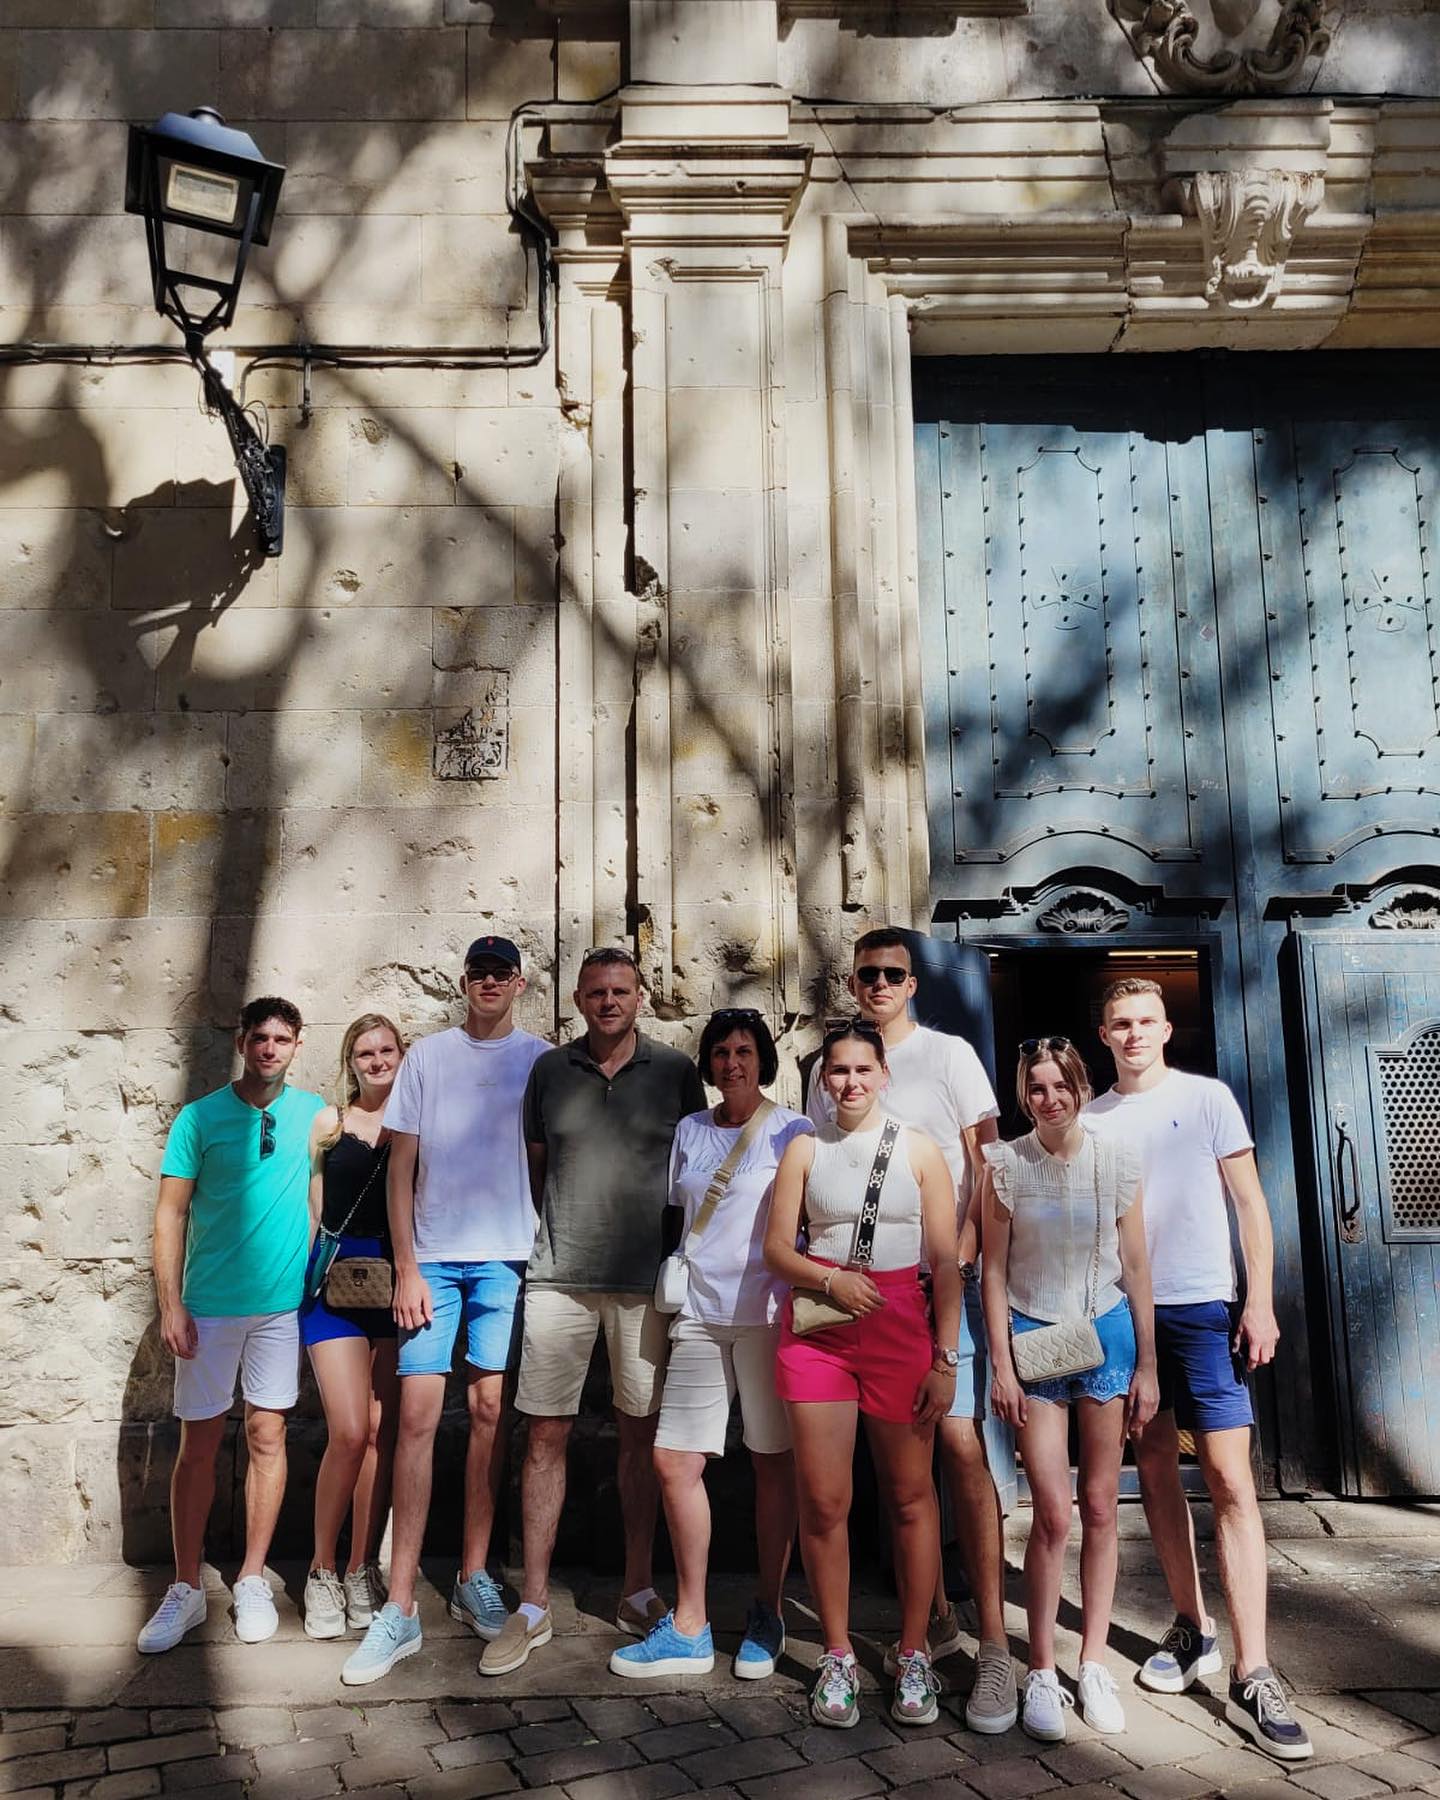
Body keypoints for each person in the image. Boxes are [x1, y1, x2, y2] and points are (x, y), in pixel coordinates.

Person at [1085, 978, 1313, 1762]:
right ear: (1104, 1034)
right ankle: (1194, 1627)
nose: (1135, 1033)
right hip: (1123, 1316)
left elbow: (1250, 1203)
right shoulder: (1088, 1116)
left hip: (1204, 1310)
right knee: (1152, 1470)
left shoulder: (1208, 1097)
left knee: (1230, 1480)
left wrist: (1260, 1302)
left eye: (1147, 1020)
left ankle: (1254, 1669)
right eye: (1121, 1023)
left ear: (1166, 1028)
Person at [807, 926, 1015, 1734]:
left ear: (913, 983)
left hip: (940, 1276)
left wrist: (963, 1251)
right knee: (885, 1468)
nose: (881, 984)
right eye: (868, 974)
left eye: (894, 972)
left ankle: (992, 1636)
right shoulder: (830, 1067)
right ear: (854, 983)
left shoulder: (950, 1055)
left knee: (957, 1446)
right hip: (862, 1290)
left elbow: (985, 1159)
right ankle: (921, 1626)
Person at [481, 946, 707, 1677]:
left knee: (641, 1438)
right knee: (544, 1433)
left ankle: (637, 1587)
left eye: (621, 990)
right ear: (576, 1000)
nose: (609, 1001)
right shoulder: (550, 1071)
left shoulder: (676, 1073)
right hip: (558, 1277)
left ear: (641, 997)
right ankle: (535, 1601)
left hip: (644, 1285)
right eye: (596, 992)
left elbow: (693, 1169)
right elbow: (538, 1164)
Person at [342, 937, 548, 1686]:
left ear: (519, 984)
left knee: (492, 1415)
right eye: (479, 973)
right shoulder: (427, 1056)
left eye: (502, 974)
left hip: (504, 1260)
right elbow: (401, 1164)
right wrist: (407, 1265)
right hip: (431, 1265)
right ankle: (399, 1608)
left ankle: (471, 1576)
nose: (490, 984)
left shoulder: (540, 1058)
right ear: (464, 982)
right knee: (419, 1421)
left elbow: (545, 1158)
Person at [767, 1021, 962, 1731]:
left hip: (900, 1325)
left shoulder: (919, 1151)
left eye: (861, 1070)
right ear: (823, 1081)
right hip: (819, 1328)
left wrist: (946, 1360)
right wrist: (829, 1278)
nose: (849, 1082)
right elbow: (776, 1248)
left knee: (910, 1496)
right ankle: (839, 1654)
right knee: (823, 1502)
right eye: (837, 1072)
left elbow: (945, 1265)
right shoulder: (804, 1150)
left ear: (884, 1075)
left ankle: (912, 1652)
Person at [611, 1008, 812, 1683]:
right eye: (722, 1052)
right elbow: (682, 1208)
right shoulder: (692, 1131)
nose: (733, 1063)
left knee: (772, 1463)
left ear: (765, 1059)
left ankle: (768, 1608)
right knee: (674, 1461)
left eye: (745, 1050)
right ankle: (691, 1624)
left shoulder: (793, 1131)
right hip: (698, 1313)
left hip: (768, 1313)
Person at [981, 1036, 1158, 1742]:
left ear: (1081, 1086)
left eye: (1060, 1086)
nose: (1048, 1099)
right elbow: (991, 1272)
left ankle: (1093, 1664)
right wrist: (1000, 1364)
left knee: (1103, 1506)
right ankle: (1043, 1672)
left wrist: (1148, 1364)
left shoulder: (1115, 1160)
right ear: (1023, 1095)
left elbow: (1137, 1265)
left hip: (1107, 1334)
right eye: (1036, 1089)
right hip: (1036, 1337)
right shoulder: (1005, 1166)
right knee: (1052, 1512)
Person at [138, 997, 325, 1654]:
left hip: (279, 1308)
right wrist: (171, 1303)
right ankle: (186, 1587)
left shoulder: (314, 1114)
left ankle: (250, 1577)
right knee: (199, 1444)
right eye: (259, 1038)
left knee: (268, 1435)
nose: (270, 1049)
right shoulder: (199, 1118)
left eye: (282, 1038)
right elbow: (169, 1214)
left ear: (297, 1044)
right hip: (210, 1307)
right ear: (242, 1041)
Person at [300, 1014, 405, 1641]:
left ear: (402, 1054)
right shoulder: (328, 1124)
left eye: (386, 1050)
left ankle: (364, 1566)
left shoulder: (416, 1123)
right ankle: (321, 1569)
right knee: (347, 1430)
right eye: (364, 1052)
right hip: (334, 1286)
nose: (376, 1061)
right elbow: (313, 1207)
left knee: (379, 1437)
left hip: (397, 1289)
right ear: (350, 1061)